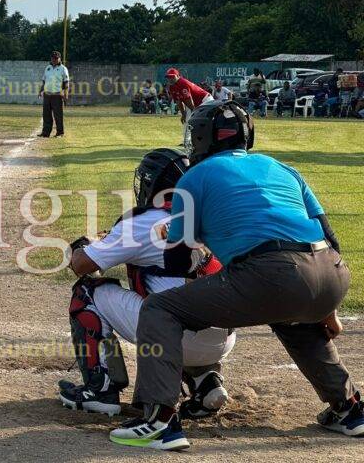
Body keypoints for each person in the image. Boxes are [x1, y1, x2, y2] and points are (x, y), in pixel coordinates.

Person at [110, 100, 362, 451]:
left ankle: (159, 419)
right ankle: (349, 408)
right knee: (291, 317)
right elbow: (328, 238)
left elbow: (180, 261)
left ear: (200, 138)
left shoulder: (193, 177)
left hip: (270, 273)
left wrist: (175, 236)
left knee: (160, 309)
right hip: (331, 272)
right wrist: (327, 310)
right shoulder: (282, 167)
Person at [63, 148, 235, 422]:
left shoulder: (144, 222)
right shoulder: (210, 215)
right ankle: (207, 382)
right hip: (224, 335)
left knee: (88, 292)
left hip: (175, 335)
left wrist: (84, 245)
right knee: (179, 292)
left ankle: (100, 391)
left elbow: (82, 265)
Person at [166, 68, 214, 147]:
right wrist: (183, 114)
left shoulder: (182, 83)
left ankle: (208, 140)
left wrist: (194, 112)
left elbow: (189, 99)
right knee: (187, 121)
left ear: (178, 76)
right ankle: (187, 142)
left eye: (172, 76)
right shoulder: (172, 87)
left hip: (205, 101)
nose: (170, 79)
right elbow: (178, 101)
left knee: (204, 122)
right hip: (194, 103)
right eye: (168, 77)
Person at [38, 51, 69, 137]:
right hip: (47, 95)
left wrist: (66, 95)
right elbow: (44, 80)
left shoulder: (63, 69)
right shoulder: (48, 68)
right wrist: (40, 91)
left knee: (58, 115)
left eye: (56, 58)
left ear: (59, 59)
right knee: (46, 115)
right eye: (53, 58)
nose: (54, 60)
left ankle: (60, 133)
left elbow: (66, 83)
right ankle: (46, 132)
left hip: (57, 95)